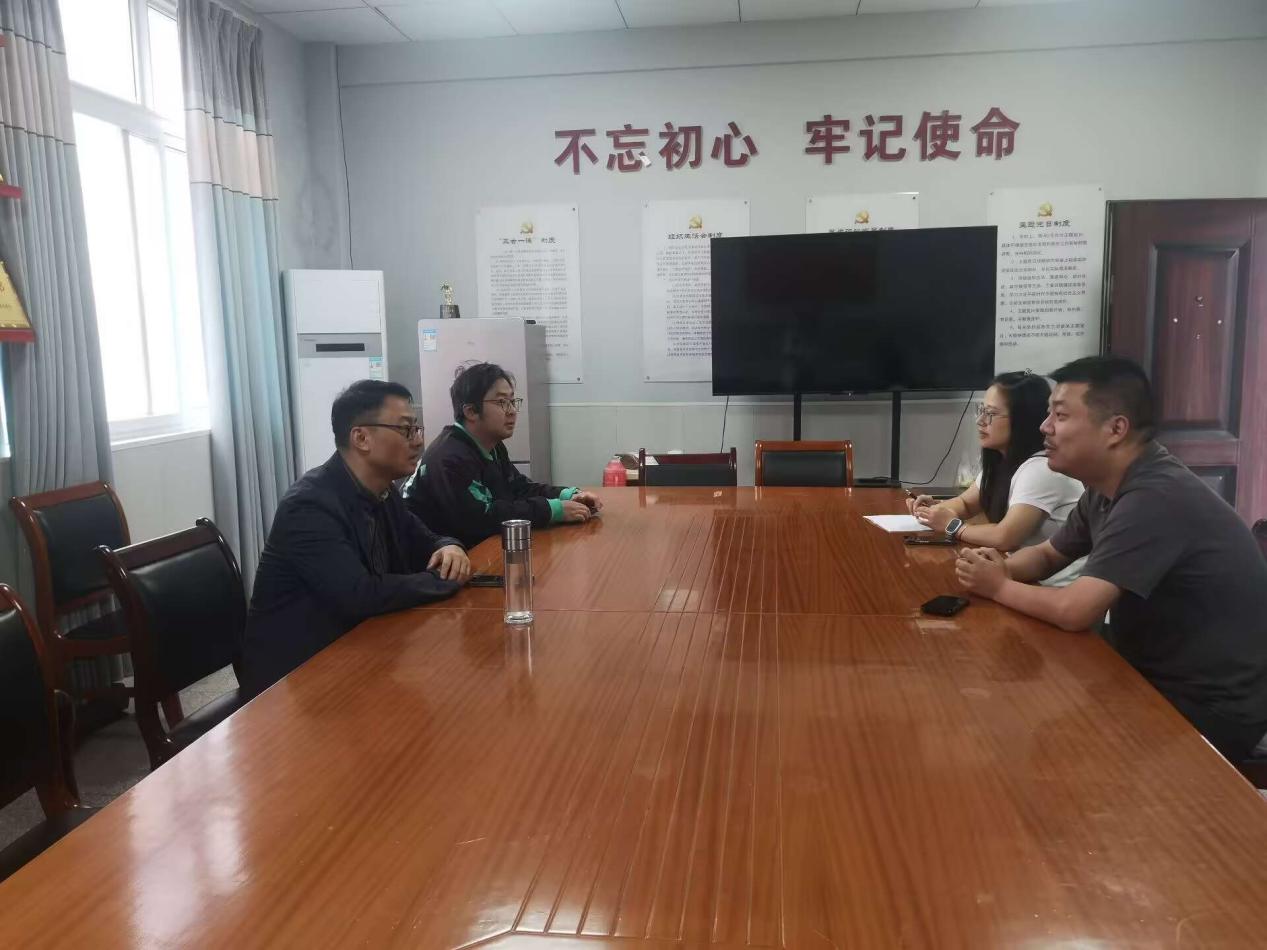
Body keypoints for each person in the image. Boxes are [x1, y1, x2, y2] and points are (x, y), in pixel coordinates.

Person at [955, 355, 1267, 760]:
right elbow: (1048, 555)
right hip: (1144, 670)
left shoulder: (1154, 496)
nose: (1044, 427)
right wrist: (994, 567)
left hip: (1207, 705)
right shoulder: (1105, 488)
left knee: (1035, 743)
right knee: (1017, 711)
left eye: (1060, 415)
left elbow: (1074, 610)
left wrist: (998, 586)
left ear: (1115, 429)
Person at [241, 380, 471, 697]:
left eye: (417, 428)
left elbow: (425, 539)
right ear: (361, 437)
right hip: (294, 680)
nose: (418, 440)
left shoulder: (383, 490)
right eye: (406, 429)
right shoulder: (309, 505)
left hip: (358, 647)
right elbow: (359, 594)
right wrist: (443, 580)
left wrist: (449, 546)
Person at [907, 371, 1085, 583]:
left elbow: (1005, 537)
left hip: (1050, 588)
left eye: (990, 413)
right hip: (1017, 574)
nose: (980, 421)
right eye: (981, 410)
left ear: (1023, 419)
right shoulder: (1004, 460)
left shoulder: (1041, 469)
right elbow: (966, 503)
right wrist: (933, 511)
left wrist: (953, 526)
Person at [402, 362, 602, 549]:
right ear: (471, 411)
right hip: (438, 559)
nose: (512, 411)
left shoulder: (492, 445)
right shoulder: (448, 457)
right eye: (502, 402)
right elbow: (480, 518)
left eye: (512, 401)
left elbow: (518, 488)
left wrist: (567, 495)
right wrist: (551, 510)